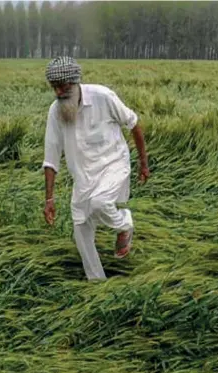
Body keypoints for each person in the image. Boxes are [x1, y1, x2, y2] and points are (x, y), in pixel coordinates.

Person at [42, 56, 149, 281]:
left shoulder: (103, 97)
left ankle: (125, 223)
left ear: (76, 82)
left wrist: (143, 163)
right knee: (80, 231)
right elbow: (51, 156)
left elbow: (134, 124)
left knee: (100, 203)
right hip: (82, 178)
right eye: (55, 88)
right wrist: (49, 199)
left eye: (63, 87)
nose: (59, 92)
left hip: (113, 166)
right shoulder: (55, 111)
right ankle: (97, 283)